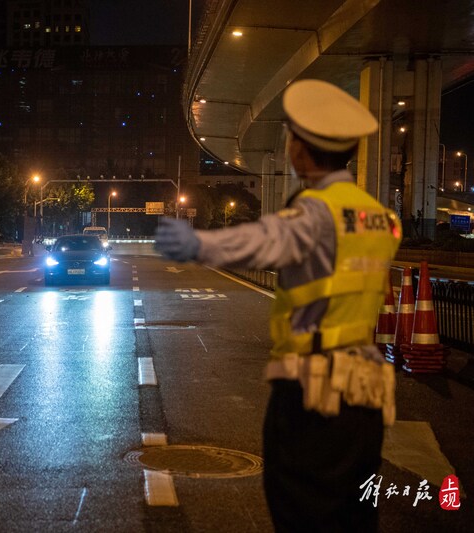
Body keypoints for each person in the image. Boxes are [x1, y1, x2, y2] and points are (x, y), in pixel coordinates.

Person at [155, 79, 402, 532]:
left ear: (300, 150)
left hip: (313, 387)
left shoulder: (316, 212)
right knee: (354, 513)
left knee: (301, 509)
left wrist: (196, 242)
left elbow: (268, 240)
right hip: (366, 388)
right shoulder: (380, 217)